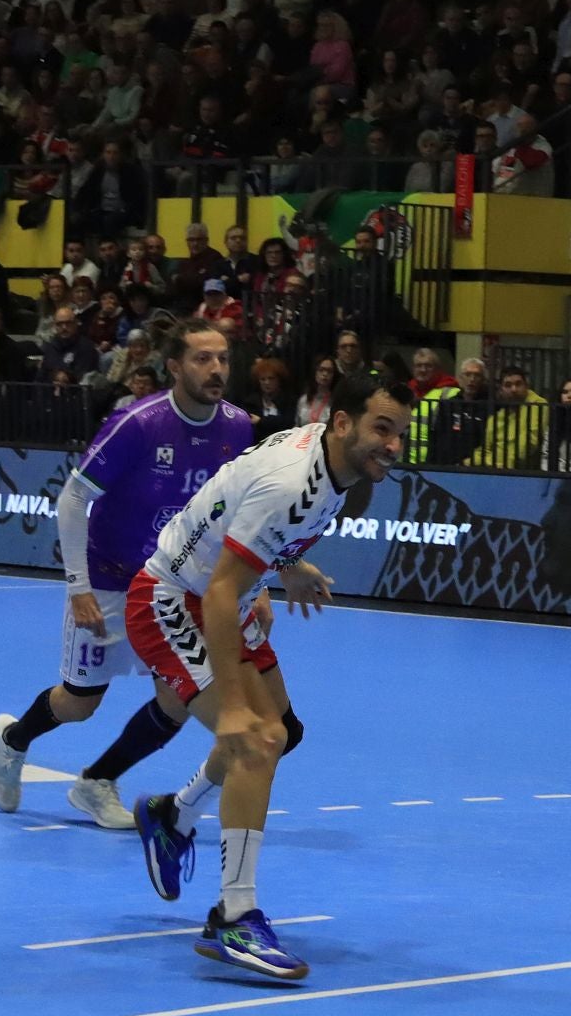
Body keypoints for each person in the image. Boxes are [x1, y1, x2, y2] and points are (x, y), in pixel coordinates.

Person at [129, 375, 414, 979]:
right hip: (174, 598)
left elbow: (246, 525)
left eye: (400, 435)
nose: (392, 445)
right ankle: (235, 915)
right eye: (381, 429)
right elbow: (221, 586)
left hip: (225, 594)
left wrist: (287, 565)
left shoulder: (332, 466)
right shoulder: (296, 482)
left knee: (278, 731)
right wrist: (231, 706)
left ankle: (174, 816)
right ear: (342, 424)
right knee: (252, 741)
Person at [0, 321, 255, 829]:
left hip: (173, 586)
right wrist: (78, 587)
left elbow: (240, 509)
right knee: (79, 703)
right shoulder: (138, 423)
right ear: (174, 366)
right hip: (110, 579)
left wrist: (252, 584)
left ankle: (96, 781)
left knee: (179, 698)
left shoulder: (238, 426)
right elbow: (73, 498)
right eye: (202, 358)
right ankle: (12, 740)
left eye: (222, 358)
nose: (216, 369)